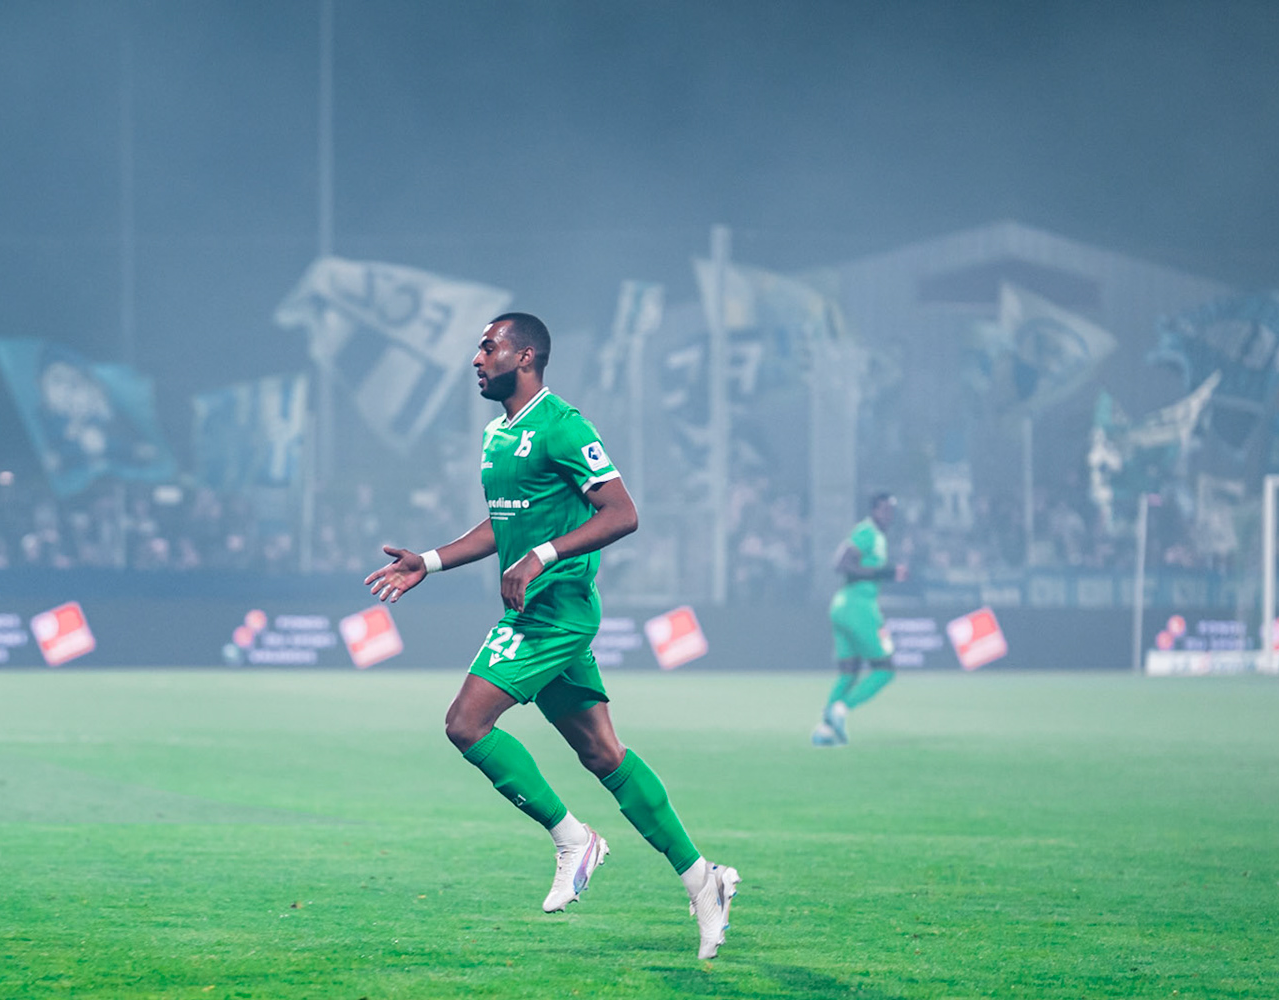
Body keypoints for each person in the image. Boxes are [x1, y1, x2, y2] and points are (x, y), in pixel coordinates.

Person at [364, 314, 742, 960]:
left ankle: (574, 839)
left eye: (489, 347)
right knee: (603, 754)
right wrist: (428, 561)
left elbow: (622, 513)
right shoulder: (498, 435)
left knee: (466, 724)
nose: (477, 358)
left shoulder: (563, 425)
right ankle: (703, 880)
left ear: (526, 356)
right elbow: (503, 523)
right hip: (534, 610)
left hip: (555, 613)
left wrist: (542, 555)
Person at [813, 491, 908, 747]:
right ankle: (840, 709)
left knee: (849, 672)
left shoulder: (875, 536)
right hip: (859, 607)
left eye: (891, 511)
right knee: (885, 669)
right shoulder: (868, 532)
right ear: (874, 510)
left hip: (842, 606)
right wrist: (886, 573)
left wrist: (887, 573)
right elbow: (842, 563)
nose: (888, 515)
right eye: (884, 510)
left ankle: (824, 731)